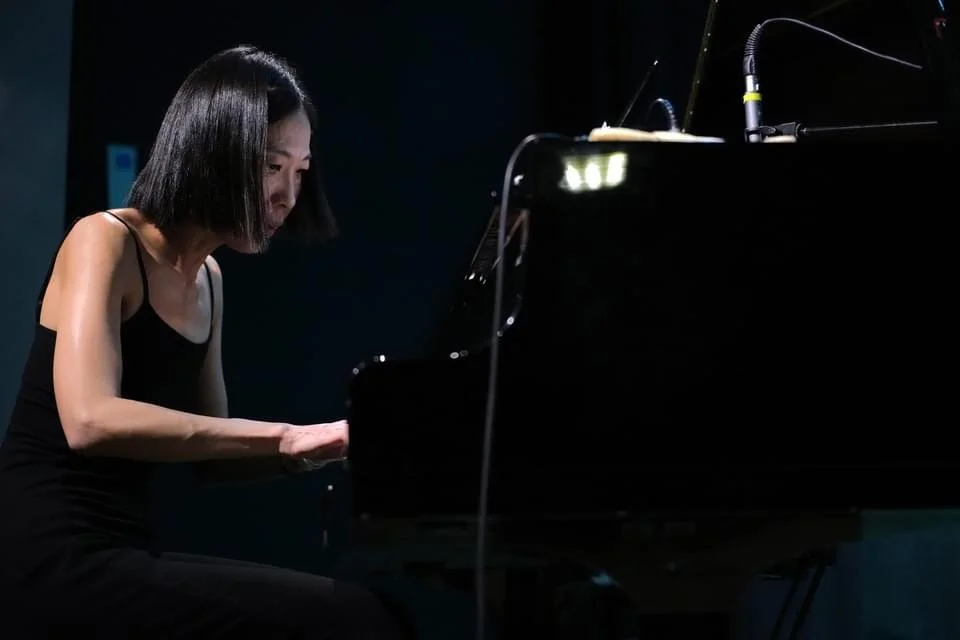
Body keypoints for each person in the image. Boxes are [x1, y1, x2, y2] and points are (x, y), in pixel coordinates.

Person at [0, 46, 409, 639]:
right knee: (354, 620)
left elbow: (212, 462)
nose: (288, 197)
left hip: (124, 548)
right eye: (272, 166)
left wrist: (331, 446)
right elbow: (89, 420)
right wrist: (288, 437)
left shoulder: (209, 281)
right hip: (47, 558)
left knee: (368, 614)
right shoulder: (105, 240)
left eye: (299, 171)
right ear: (214, 151)